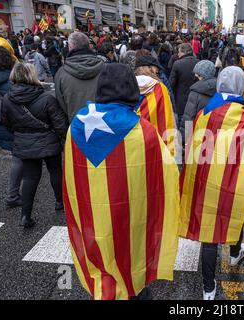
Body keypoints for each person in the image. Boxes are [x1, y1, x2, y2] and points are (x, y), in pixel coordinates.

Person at [63, 63, 180, 300]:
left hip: (91, 216)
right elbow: (166, 173)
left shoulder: (75, 126)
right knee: (131, 273)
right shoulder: (143, 130)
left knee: (101, 267)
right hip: (129, 216)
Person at [179, 66, 244, 300]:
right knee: (233, 215)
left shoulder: (204, 115)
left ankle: (208, 287)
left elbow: (193, 147)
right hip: (233, 181)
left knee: (209, 235)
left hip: (206, 179)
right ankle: (235, 252)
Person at [1, 63, 68, 228]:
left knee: (30, 177)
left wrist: (21, 134)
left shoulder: (8, 99)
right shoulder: (46, 98)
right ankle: (60, 202)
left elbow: (6, 123)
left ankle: (26, 214)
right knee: (55, 171)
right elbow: (60, 125)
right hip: (49, 140)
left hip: (25, 142)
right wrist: (63, 137)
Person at [0, 45, 23, 209]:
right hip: (14, 125)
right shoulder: (10, 81)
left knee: (19, 157)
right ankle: (12, 194)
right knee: (19, 159)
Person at [55, 32, 104, 121]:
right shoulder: (105, 68)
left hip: (75, 126)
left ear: (70, 47)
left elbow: (61, 104)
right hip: (104, 125)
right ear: (89, 45)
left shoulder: (61, 73)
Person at [135, 55, 176, 156]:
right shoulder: (160, 88)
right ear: (149, 68)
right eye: (156, 70)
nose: (157, 72)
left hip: (131, 138)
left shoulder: (126, 85)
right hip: (154, 140)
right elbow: (167, 118)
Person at [179, 60, 217, 144]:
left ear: (203, 75)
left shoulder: (195, 92)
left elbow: (188, 117)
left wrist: (184, 138)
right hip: (215, 133)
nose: (196, 76)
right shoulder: (220, 89)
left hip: (198, 133)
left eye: (198, 75)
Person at [169, 43, 199, 125]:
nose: (178, 54)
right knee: (192, 122)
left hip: (180, 100)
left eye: (179, 52)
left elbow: (171, 83)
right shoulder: (198, 62)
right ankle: (189, 136)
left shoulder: (177, 64)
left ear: (183, 52)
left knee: (182, 123)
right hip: (195, 98)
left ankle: (183, 136)